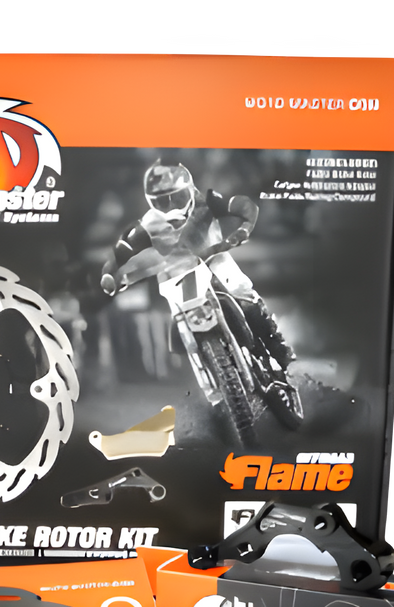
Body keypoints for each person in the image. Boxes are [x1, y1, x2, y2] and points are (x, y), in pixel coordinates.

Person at [100, 161, 300, 418]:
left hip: (215, 260)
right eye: (163, 201)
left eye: (176, 197)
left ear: (189, 189)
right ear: (151, 202)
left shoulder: (207, 201)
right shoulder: (147, 225)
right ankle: (213, 389)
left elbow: (244, 206)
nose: (172, 206)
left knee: (245, 297)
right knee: (177, 322)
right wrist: (109, 275)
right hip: (177, 276)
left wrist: (243, 229)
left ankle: (280, 350)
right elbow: (119, 252)